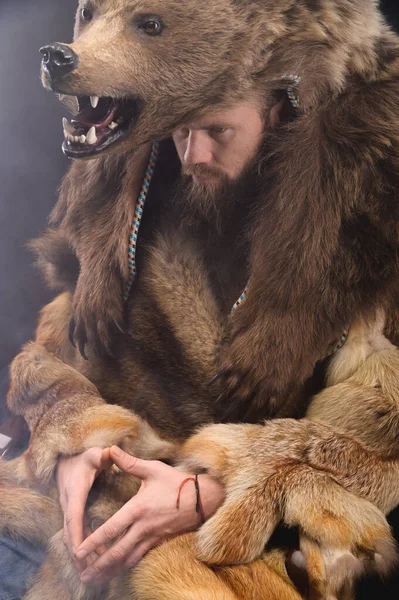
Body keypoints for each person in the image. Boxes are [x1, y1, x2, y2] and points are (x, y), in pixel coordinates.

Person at [1, 97, 298, 598]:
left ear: (275, 112)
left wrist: (215, 492)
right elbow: (50, 358)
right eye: (180, 132)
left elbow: (374, 433)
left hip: (217, 556)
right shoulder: (140, 214)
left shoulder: (349, 255)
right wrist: (74, 436)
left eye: (218, 131)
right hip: (58, 516)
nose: (193, 155)